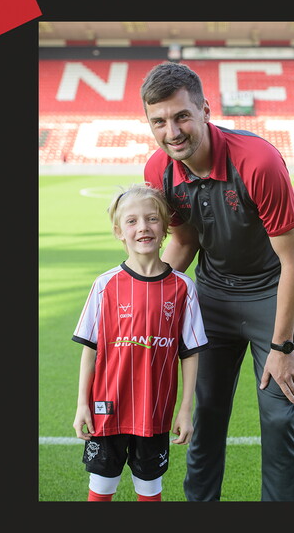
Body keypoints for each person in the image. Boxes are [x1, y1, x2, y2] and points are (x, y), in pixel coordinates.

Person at [140, 62, 294, 501]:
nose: (172, 132)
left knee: (278, 419)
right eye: (159, 121)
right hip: (213, 298)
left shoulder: (257, 161)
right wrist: (144, 298)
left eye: (181, 116)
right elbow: (184, 242)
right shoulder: (159, 170)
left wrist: (282, 348)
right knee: (207, 413)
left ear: (205, 110)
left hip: (274, 296)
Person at [71, 183, 208, 502]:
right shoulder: (105, 285)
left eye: (152, 219)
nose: (143, 227)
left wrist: (185, 409)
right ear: (119, 232)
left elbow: (189, 354)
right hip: (107, 408)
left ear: (165, 228)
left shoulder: (183, 288)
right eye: (132, 221)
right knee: (101, 486)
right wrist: (82, 405)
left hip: (155, 411)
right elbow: (90, 350)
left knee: (149, 488)